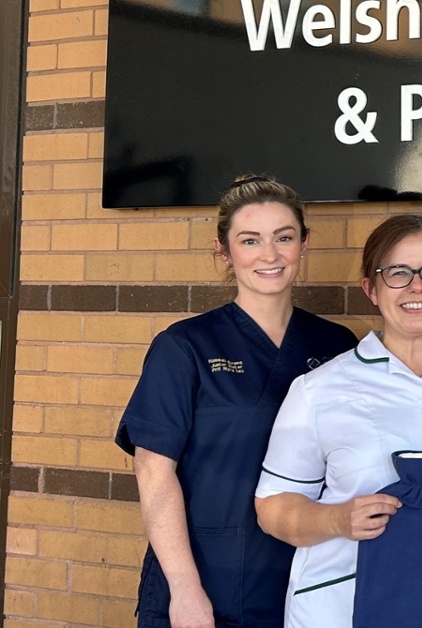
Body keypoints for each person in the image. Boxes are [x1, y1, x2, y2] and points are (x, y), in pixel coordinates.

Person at [115, 175, 360, 628]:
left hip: (308, 573)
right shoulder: (185, 346)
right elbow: (153, 472)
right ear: (224, 251)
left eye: (284, 238)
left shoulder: (337, 344)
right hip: (206, 577)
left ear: (304, 244)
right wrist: (186, 590)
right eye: (251, 241)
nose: (270, 255)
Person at [253, 215, 422, 628]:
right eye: (397, 273)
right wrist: (336, 519)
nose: (417, 287)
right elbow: (272, 507)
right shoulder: (317, 389)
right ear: (370, 289)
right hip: (340, 607)